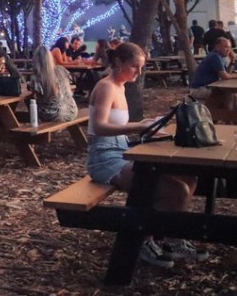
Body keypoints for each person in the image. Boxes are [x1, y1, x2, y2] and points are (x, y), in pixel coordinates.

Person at [87, 41, 207, 268]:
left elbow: (117, 126)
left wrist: (149, 125)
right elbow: (99, 127)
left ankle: (171, 236)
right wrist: (138, 127)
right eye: (134, 66)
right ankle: (144, 240)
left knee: (189, 178)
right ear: (119, 62)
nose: (139, 72)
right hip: (104, 159)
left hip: (122, 152)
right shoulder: (106, 87)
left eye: (141, 67)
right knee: (174, 189)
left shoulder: (120, 86)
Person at [30, 46, 78, 123]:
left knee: (31, 102)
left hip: (53, 114)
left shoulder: (37, 77)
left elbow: (35, 95)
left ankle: (34, 125)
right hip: (71, 111)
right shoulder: (61, 70)